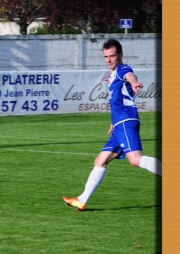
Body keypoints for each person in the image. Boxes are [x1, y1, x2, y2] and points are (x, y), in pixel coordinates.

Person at [62, 38, 161, 211]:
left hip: (126, 121)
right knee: (100, 160)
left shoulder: (122, 69)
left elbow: (130, 75)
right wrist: (113, 122)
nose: (109, 60)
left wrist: (134, 83)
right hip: (119, 124)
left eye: (112, 56)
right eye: (106, 56)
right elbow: (118, 100)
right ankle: (81, 200)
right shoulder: (112, 75)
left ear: (120, 55)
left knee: (135, 160)